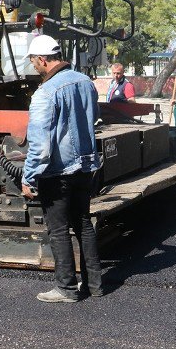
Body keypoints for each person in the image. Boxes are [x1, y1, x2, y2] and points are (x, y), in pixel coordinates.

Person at [20, 35, 105, 303]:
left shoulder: (45, 93)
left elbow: (41, 145)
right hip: (85, 166)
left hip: (57, 172)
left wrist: (28, 176)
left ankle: (66, 289)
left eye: (34, 61)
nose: (34, 66)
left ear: (43, 60)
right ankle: (96, 285)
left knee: (58, 230)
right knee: (83, 224)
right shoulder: (85, 82)